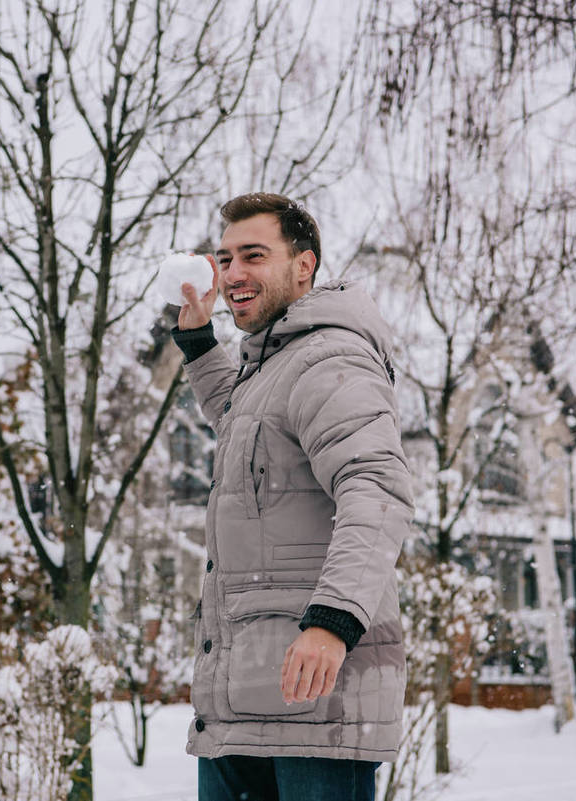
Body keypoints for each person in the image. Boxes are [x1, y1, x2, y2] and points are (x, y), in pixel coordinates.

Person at [171, 192, 416, 801]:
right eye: (225, 258)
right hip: (246, 695)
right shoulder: (277, 363)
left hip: (315, 703)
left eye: (254, 255)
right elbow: (245, 420)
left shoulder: (329, 356)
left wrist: (332, 622)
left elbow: (376, 488)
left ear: (303, 266)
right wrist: (201, 344)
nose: (233, 274)